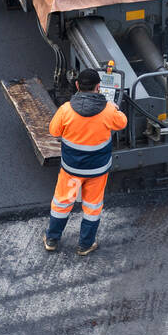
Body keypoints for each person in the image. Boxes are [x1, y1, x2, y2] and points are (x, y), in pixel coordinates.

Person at [43, 68, 127, 256]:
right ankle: (85, 244)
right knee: (92, 206)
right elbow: (122, 123)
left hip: (72, 169)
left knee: (62, 203)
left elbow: (54, 132)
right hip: (97, 171)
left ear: (77, 86)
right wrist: (113, 107)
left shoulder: (66, 110)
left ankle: (52, 239)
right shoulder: (108, 111)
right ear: (98, 87)